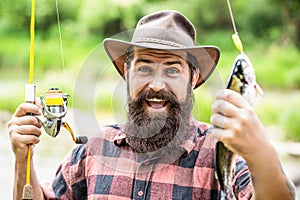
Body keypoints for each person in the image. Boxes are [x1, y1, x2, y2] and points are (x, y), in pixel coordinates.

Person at [8, 10, 295, 200]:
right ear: (127, 75)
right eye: (144, 68)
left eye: (172, 70)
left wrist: (261, 152)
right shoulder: (92, 150)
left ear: (193, 78)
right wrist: (23, 158)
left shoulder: (221, 153)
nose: (157, 85)